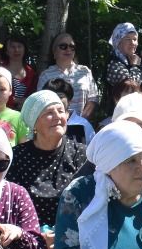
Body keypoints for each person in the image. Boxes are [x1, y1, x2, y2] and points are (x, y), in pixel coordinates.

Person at [8, 90, 90, 226]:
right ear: (34, 123)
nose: (57, 117)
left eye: (60, 111)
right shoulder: (16, 157)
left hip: (74, 234)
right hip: (29, 234)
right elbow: (11, 206)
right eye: (49, 113)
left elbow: (90, 201)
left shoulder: (81, 154)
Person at [38, 33, 99, 123]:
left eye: (72, 46)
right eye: (63, 46)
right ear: (54, 51)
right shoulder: (45, 75)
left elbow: (93, 99)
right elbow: (41, 103)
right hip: (55, 124)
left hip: (80, 124)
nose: (68, 49)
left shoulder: (85, 72)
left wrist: (81, 121)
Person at [104, 22, 142, 111]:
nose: (133, 43)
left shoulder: (130, 60)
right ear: (118, 42)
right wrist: (135, 66)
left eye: (135, 39)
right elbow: (130, 88)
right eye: (128, 39)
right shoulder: (113, 63)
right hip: (118, 115)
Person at [0, 33, 37, 107]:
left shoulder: (31, 73)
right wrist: (16, 100)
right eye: (12, 47)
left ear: (24, 49)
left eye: (19, 46)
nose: (16, 50)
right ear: (6, 51)